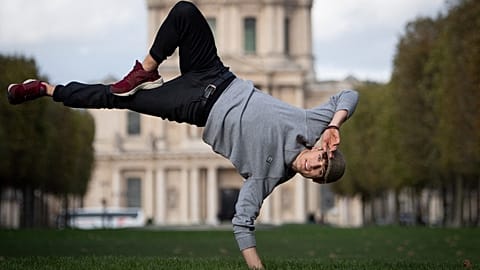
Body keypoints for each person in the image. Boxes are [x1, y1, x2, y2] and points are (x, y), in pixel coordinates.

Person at [7, 1, 358, 269]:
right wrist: (333, 125)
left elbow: (243, 223)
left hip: (193, 105)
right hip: (217, 74)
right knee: (185, 10)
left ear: (311, 179)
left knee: (113, 97)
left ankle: (45, 89)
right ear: (321, 149)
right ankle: (145, 68)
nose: (314, 165)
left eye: (317, 173)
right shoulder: (314, 126)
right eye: (321, 161)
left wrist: (256, 266)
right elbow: (347, 95)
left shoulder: (268, 176)